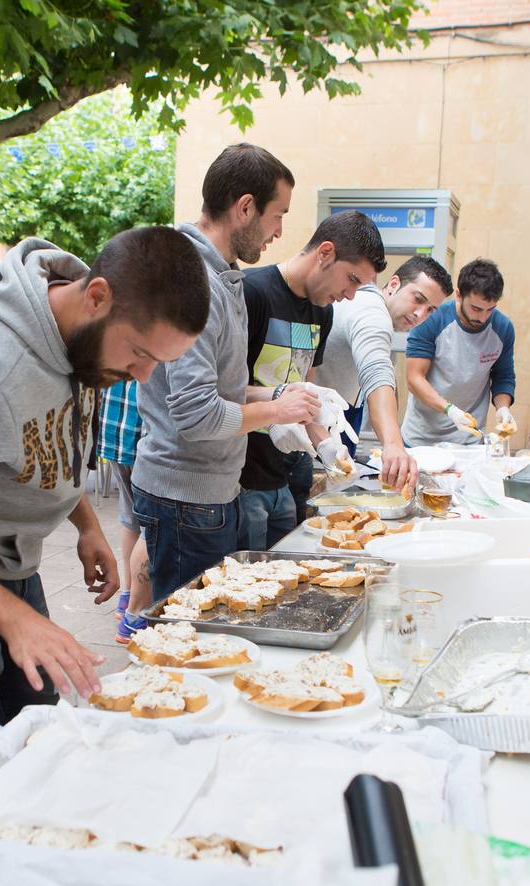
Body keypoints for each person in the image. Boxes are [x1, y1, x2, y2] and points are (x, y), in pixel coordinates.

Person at [0, 226, 210, 798]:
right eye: (142, 354)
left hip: (9, 569)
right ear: (96, 295)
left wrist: (88, 525)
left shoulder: (84, 338)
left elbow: (41, 442)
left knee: (33, 749)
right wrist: (17, 620)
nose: (144, 377)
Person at [129, 143, 321, 614]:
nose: (280, 232)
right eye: (278, 215)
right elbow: (196, 414)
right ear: (245, 207)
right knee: (185, 640)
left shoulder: (222, 275)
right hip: (184, 498)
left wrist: (278, 393)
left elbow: (220, 390)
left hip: (209, 494)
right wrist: (276, 410)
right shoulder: (193, 280)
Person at [237, 211, 386, 550]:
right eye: (350, 279)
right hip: (242, 478)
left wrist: (325, 446)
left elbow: (305, 395)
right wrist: (278, 398)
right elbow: (221, 391)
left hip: (287, 473)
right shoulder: (252, 292)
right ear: (325, 253)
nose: (349, 295)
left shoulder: (323, 311)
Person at [315, 255, 453, 489]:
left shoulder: (373, 310)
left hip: (336, 421)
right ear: (393, 284)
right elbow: (376, 374)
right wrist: (393, 445)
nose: (420, 315)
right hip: (311, 432)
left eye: (430, 309)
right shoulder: (373, 313)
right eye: (417, 299)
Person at [402, 257, 516, 446]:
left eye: (490, 310)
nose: (483, 317)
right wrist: (449, 410)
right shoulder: (432, 319)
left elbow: (503, 377)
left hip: (469, 440)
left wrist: (503, 409)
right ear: (458, 295)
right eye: (476, 308)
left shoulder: (503, 328)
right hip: (422, 437)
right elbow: (414, 379)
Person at [94, 380, 152, 643]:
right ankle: (134, 616)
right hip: (143, 434)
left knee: (131, 518)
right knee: (151, 525)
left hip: (116, 428)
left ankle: (128, 596)